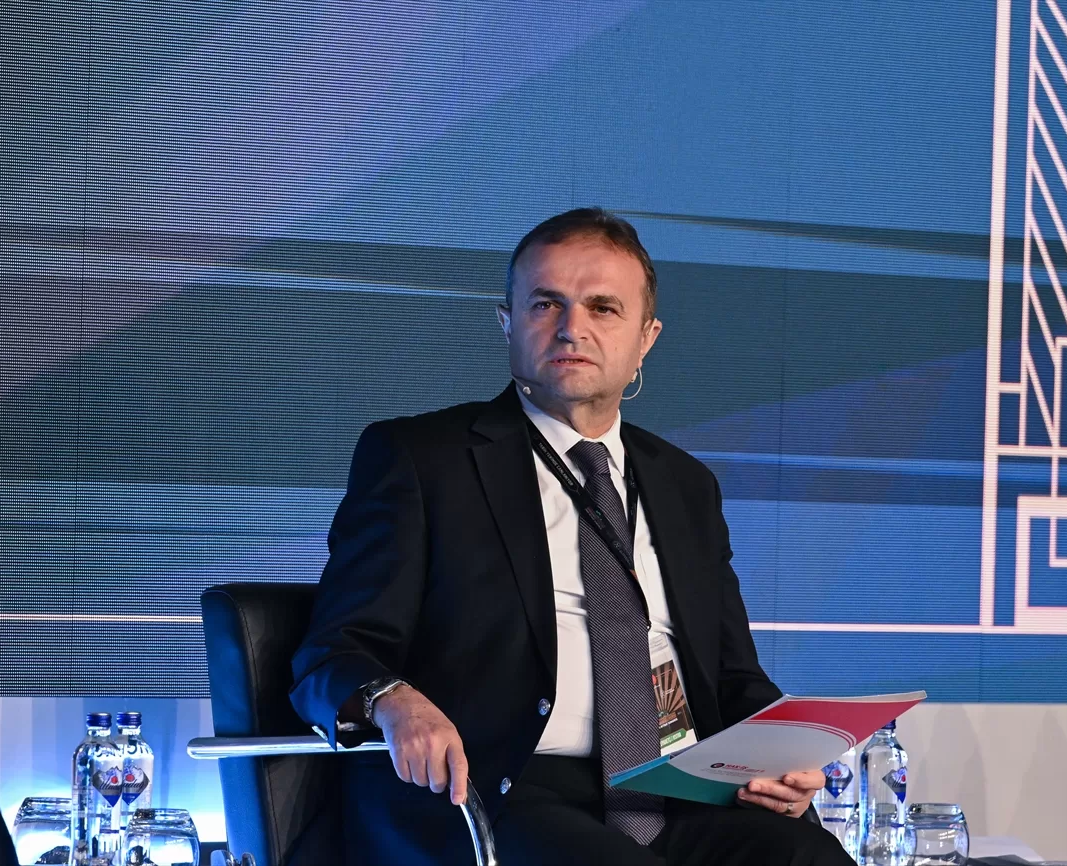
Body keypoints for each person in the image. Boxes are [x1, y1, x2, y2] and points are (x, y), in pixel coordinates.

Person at [290, 208, 852, 865]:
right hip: (498, 789)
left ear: (646, 338)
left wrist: (785, 757)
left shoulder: (685, 485)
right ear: (507, 322)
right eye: (545, 303)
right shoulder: (421, 459)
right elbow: (331, 653)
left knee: (811, 857)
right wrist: (393, 700)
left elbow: (732, 678)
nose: (571, 328)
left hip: (676, 788)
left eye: (603, 308)